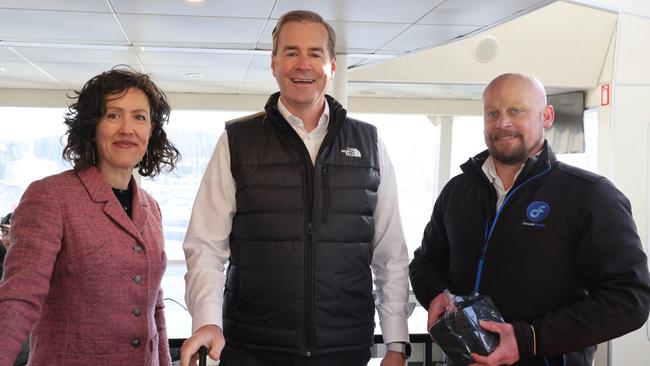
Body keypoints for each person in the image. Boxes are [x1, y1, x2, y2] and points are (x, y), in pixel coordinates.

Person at [180, 9, 413, 366]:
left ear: (332, 65)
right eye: (291, 52)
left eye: (315, 54)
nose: (302, 64)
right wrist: (206, 320)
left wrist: (396, 341)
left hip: (344, 350)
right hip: (253, 349)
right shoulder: (236, 141)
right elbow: (206, 246)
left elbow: (390, 254)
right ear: (274, 63)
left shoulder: (370, 143)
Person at [409, 73, 650, 366]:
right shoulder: (458, 192)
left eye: (516, 111)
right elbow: (425, 262)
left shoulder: (591, 195)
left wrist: (528, 339)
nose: (502, 123)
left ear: (546, 116)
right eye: (492, 113)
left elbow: (630, 299)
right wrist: (435, 295)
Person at [0, 67, 180, 366]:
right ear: (92, 126)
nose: (127, 128)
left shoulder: (152, 208)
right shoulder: (51, 196)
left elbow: (155, 306)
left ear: (151, 131)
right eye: (113, 115)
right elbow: (20, 297)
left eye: (139, 116)